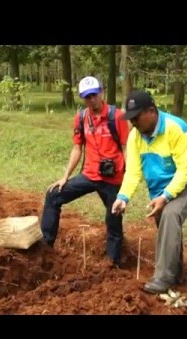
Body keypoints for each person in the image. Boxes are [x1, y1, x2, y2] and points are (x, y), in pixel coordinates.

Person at [111, 90, 187, 293]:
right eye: (130, 119)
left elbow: (186, 169)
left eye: (136, 118)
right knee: (166, 225)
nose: (133, 123)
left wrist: (166, 196)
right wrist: (123, 196)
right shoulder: (136, 136)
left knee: (171, 215)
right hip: (159, 190)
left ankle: (163, 278)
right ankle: (175, 276)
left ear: (151, 111)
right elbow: (133, 172)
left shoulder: (177, 129)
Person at [40, 76, 130, 267]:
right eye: (87, 97)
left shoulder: (118, 116)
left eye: (94, 95)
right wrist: (65, 176)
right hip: (89, 175)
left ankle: (113, 263)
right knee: (53, 195)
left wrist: (128, 181)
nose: (92, 100)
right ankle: (46, 246)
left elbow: (125, 147)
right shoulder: (81, 117)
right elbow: (77, 148)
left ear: (102, 92)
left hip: (113, 179)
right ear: (83, 98)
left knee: (113, 218)